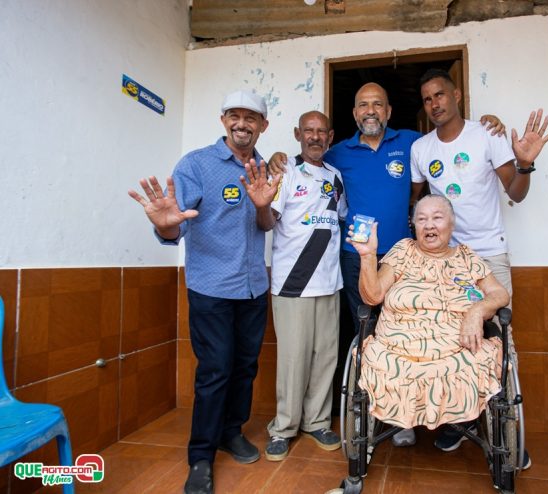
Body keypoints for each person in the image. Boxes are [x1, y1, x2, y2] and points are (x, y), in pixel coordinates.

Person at [128, 90, 280, 494]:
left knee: (246, 368)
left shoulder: (262, 167)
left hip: (252, 288)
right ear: (223, 120)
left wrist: (264, 206)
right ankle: (201, 457)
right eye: (235, 116)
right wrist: (164, 225)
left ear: (263, 126)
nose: (242, 124)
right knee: (215, 371)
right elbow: (175, 224)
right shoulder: (196, 164)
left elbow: (263, 225)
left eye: (251, 118)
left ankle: (232, 432)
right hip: (211, 288)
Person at [269, 82, 505, 335]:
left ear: (389, 111)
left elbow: (447, 140)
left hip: (403, 256)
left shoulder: (412, 142)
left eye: (377, 104)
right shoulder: (336, 153)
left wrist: (484, 125)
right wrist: (279, 158)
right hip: (356, 256)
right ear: (355, 113)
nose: (370, 110)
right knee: (363, 327)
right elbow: (308, 159)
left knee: (404, 325)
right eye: (363, 105)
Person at [410, 68, 548, 455]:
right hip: (447, 261)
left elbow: (517, 194)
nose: (434, 103)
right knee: (449, 341)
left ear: (456, 95)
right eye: (427, 99)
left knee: (500, 340)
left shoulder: (487, 135)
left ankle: (507, 435)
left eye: (439, 94)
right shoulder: (421, 149)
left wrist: (524, 164)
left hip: (489, 255)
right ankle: (460, 421)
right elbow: (417, 204)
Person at [347, 194, 510, 429]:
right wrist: (367, 256)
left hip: (457, 351)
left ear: (452, 223)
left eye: (437, 217)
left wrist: (477, 311)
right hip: (396, 353)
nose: (429, 225)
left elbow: (499, 294)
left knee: (486, 357)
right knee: (374, 357)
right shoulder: (403, 250)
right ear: (413, 226)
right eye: (422, 219)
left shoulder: (466, 257)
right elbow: (372, 296)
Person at [244, 111, 347, 461]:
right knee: (293, 360)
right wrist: (261, 206)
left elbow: (339, 220)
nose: (315, 137)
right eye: (308, 131)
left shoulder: (336, 176)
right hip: (293, 283)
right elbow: (268, 220)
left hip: (330, 283)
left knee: (325, 359)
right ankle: (284, 427)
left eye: (321, 132)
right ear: (297, 134)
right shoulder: (283, 171)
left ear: (330, 136)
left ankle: (317, 422)